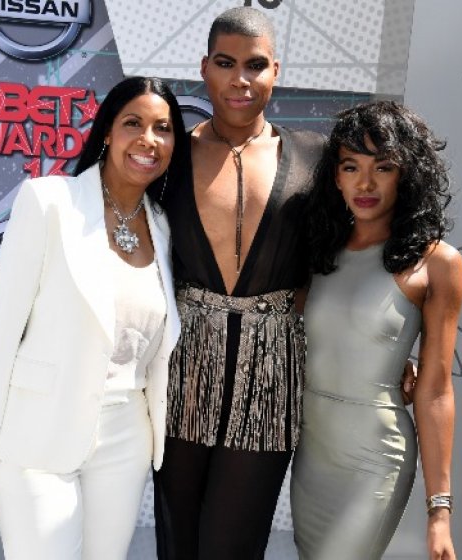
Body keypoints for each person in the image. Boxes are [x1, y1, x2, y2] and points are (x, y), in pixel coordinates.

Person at [0, 76, 189, 560]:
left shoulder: (164, 224)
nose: (149, 139)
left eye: (163, 128)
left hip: (125, 441)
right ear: (106, 132)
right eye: (133, 123)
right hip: (36, 439)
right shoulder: (48, 202)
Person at [149, 7, 326, 559]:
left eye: (255, 65)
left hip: (270, 376)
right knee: (177, 539)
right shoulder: (167, 156)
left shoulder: (316, 158)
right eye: (226, 63)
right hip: (181, 372)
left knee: (235, 544)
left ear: (277, 69)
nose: (240, 80)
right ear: (204, 68)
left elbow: (344, 258)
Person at [291, 102, 462, 560]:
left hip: (376, 457)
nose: (365, 184)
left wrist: (439, 510)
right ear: (336, 176)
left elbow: (436, 391)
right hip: (313, 454)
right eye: (352, 167)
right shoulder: (316, 250)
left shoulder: (436, 262)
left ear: (406, 175)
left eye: (383, 168)